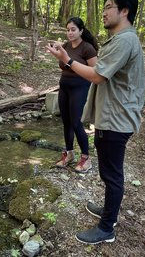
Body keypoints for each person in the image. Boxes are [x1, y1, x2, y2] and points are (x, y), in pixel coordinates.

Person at [46, 0, 145, 244]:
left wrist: (67, 60)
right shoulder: (120, 40)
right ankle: (109, 212)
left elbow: (98, 75)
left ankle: (106, 228)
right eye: (103, 6)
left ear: (124, 11)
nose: (104, 11)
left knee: (112, 174)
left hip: (116, 118)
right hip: (112, 116)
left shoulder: (124, 40)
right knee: (109, 172)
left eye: (109, 6)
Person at [55, 17, 98, 173]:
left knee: (76, 123)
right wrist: (58, 56)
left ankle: (86, 158)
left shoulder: (87, 48)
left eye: (73, 29)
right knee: (66, 121)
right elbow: (64, 66)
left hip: (80, 88)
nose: (70, 33)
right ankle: (69, 154)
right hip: (64, 87)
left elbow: (95, 71)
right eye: (68, 30)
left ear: (81, 30)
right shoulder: (65, 46)